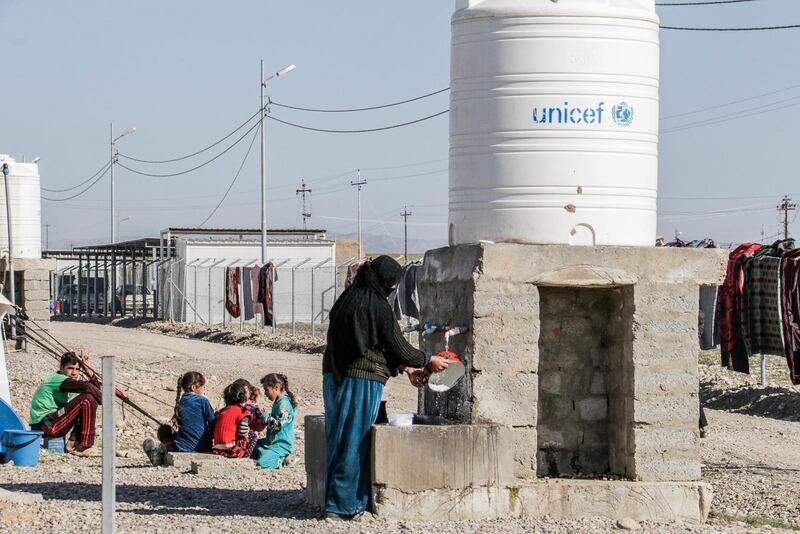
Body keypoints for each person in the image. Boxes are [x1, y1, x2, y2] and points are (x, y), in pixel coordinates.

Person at [322, 255, 450, 520]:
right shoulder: (377, 306)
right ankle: (343, 506)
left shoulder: (346, 300)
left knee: (339, 438)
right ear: (389, 282)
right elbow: (396, 345)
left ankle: (337, 500)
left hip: (334, 377)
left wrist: (406, 368)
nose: (394, 288)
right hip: (360, 380)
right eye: (394, 283)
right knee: (355, 440)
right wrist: (427, 360)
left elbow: (373, 344)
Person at [29, 351, 102, 456]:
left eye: (77, 369)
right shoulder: (57, 379)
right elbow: (89, 388)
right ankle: (84, 446)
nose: (74, 373)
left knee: (88, 400)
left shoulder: (67, 382)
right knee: (87, 399)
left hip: (54, 421)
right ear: (61, 368)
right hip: (45, 425)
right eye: (70, 368)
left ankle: (73, 442)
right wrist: (104, 398)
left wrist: (86, 368)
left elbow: (94, 388)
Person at [143, 371, 215, 465]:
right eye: (201, 387)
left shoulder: (180, 403)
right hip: (204, 447)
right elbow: (213, 422)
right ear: (193, 387)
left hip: (181, 447)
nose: (202, 390)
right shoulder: (203, 401)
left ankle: (157, 455)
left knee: (166, 435)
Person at [253, 373, 297, 469]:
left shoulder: (284, 404)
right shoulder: (278, 402)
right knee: (251, 446)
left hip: (281, 444)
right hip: (271, 442)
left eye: (266, 390)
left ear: (276, 387)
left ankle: (283, 460)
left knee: (262, 463)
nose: (265, 393)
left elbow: (278, 425)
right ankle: (270, 454)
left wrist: (264, 416)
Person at [212, 382, 251, 458]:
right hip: (232, 450)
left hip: (217, 449)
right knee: (252, 435)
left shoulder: (222, 411)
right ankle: (247, 455)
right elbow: (242, 432)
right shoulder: (242, 412)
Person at [232, 378, 265, 458]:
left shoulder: (251, 408)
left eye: (244, 392)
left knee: (252, 435)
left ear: (250, 393)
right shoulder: (231, 404)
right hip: (233, 435)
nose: (242, 394)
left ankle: (245, 455)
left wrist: (259, 417)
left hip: (243, 436)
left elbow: (258, 428)